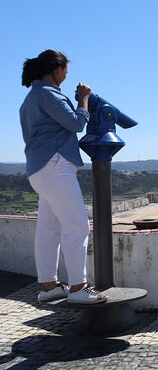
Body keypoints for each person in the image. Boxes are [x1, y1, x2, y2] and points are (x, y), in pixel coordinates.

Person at [20, 49, 107, 305]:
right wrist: (83, 99)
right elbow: (76, 124)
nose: (66, 74)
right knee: (78, 224)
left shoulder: (30, 99)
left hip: (39, 169)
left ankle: (48, 286)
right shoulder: (48, 94)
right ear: (57, 69)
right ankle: (79, 288)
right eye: (65, 70)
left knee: (48, 229)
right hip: (56, 165)